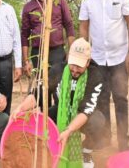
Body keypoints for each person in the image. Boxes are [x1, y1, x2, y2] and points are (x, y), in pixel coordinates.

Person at [11, 38, 104, 168]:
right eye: (72, 64)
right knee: (42, 119)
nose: (75, 70)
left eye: (79, 66)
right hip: (61, 112)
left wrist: (69, 130)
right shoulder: (57, 70)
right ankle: (51, 150)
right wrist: (20, 108)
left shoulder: (95, 76)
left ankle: (86, 151)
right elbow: (37, 95)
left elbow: (86, 111)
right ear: (68, 58)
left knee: (98, 122)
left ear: (88, 62)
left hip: (81, 115)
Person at [78, 0, 129, 151]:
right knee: (101, 100)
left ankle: (123, 143)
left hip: (119, 57)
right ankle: (105, 141)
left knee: (120, 98)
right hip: (98, 59)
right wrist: (85, 53)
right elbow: (83, 27)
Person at [21, 0, 75, 108]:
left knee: (57, 87)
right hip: (38, 53)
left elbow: (69, 25)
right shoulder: (28, 7)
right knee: (41, 89)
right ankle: (43, 123)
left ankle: (58, 122)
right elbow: (25, 35)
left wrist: (72, 50)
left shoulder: (59, 1)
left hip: (57, 52)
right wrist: (26, 61)